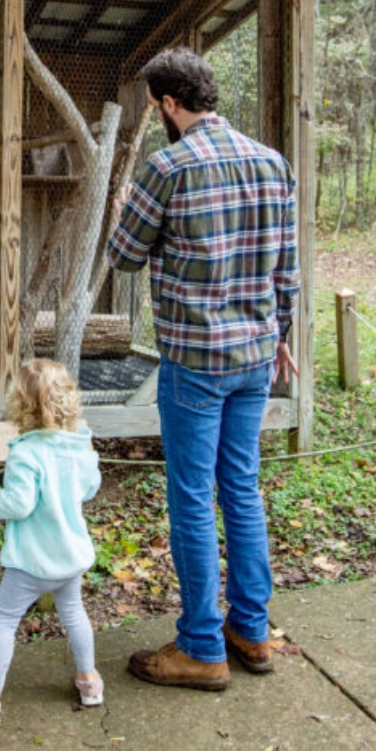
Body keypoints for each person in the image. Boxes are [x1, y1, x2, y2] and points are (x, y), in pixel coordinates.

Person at [105, 48, 298, 691]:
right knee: (241, 488)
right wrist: (282, 336)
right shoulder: (273, 163)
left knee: (192, 496)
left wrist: (128, 207)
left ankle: (200, 647)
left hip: (195, 361)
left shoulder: (166, 165)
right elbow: (286, 270)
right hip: (256, 356)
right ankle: (252, 629)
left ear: (166, 103)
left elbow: (125, 257)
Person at [0, 359, 104, 728]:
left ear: (20, 404)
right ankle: (89, 682)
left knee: (5, 621)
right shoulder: (78, 446)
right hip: (70, 558)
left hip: (30, 563)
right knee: (74, 613)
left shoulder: (25, 453)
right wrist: (90, 452)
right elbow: (90, 487)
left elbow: (18, 505)